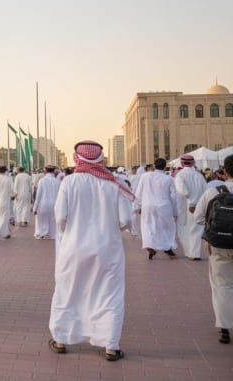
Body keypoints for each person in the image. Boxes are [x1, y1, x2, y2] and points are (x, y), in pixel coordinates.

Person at [48, 141, 133, 361]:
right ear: (100, 159)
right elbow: (125, 220)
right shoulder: (114, 183)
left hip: (74, 248)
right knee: (109, 294)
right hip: (108, 249)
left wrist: (74, 232)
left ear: (78, 158)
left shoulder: (69, 182)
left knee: (69, 291)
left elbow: (60, 217)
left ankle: (60, 339)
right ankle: (110, 346)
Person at [193, 153, 233, 344]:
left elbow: (198, 217)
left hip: (219, 246)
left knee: (222, 286)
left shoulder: (213, 191)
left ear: (224, 172)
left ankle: (225, 328)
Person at [134, 158, 178, 260]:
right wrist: (174, 211)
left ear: (154, 166)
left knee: (147, 226)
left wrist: (137, 206)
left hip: (148, 205)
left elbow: (139, 192)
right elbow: (173, 197)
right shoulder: (169, 179)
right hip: (164, 206)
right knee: (166, 228)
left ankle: (149, 245)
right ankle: (167, 247)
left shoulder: (145, 176)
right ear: (164, 167)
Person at [174, 154, 207, 260]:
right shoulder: (199, 175)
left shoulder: (180, 175)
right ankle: (194, 253)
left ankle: (190, 253)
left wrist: (190, 201)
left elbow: (182, 190)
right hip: (199, 205)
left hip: (187, 206)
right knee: (196, 230)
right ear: (193, 163)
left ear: (182, 163)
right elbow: (206, 191)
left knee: (184, 229)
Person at [33, 165, 60, 239]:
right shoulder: (57, 181)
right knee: (53, 220)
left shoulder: (42, 180)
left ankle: (43, 233)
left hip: (43, 203)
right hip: (54, 203)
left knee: (42, 220)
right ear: (53, 171)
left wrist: (35, 208)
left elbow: (38, 195)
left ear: (46, 171)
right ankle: (52, 234)